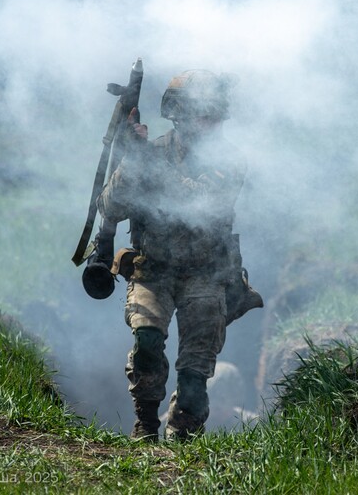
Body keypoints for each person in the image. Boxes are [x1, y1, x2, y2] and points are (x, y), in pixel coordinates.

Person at [97, 69, 249, 441]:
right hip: (154, 271)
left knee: (195, 375)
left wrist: (149, 164)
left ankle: (183, 441)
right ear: (179, 114)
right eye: (204, 113)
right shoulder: (151, 154)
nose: (212, 123)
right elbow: (110, 207)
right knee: (147, 343)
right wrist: (132, 161)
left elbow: (196, 202)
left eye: (215, 114)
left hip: (206, 274)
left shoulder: (229, 162)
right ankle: (145, 426)